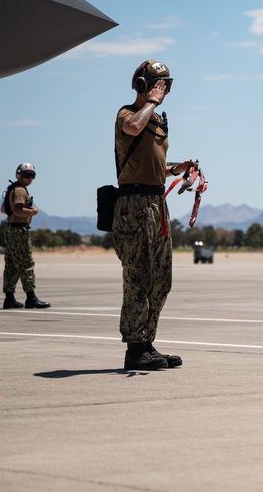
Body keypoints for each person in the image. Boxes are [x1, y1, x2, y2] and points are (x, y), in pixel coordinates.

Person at [113, 60, 194, 371]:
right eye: (158, 84)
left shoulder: (157, 119)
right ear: (142, 85)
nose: (164, 91)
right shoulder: (127, 114)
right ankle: (134, 348)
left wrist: (178, 168)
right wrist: (151, 102)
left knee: (161, 278)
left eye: (166, 85)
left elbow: (154, 163)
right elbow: (133, 127)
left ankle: (146, 342)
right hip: (133, 205)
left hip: (157, 203)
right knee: (138, 277)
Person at [1, 163, 50, 309]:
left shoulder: (12, 188)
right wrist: (31, 212)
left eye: (32, 175)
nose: (29, 178)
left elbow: (3, 209)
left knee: (11, 265)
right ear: (20, 175)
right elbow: (17, 210)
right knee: (26, 263)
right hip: (18, 230)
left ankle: (9, 298)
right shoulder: (20, 190)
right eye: (27, 175)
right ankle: (31, 297)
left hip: (10, 229)